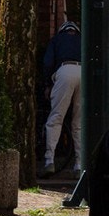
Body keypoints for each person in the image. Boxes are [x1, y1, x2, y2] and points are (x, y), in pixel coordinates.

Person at [40, 19, 81, 177]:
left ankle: (49, 160)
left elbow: (48, 62)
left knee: (56, 118)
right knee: (79, 123)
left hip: (64, 71)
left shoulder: (56, 40)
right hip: (83, 72)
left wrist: (47, 84)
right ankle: (79, 164)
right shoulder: (82, 39)